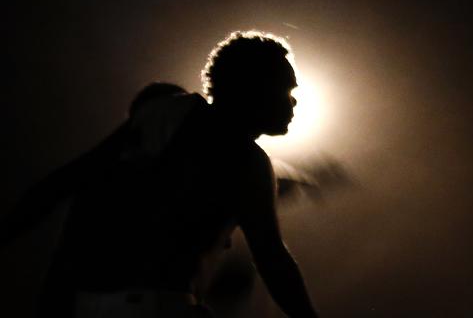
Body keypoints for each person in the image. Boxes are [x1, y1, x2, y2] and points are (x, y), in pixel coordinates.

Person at [1, 31, 319, 318]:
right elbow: (273, 261)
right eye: (286, 89)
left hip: (85, 300)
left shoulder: (166, 117)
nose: (293, 101)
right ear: (254, 88)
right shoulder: (247, 161)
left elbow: (63, 183)